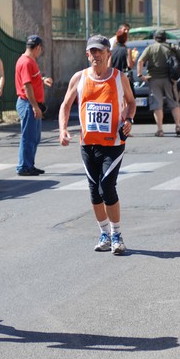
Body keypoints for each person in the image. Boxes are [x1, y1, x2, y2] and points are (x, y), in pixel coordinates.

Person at [59, 34, 136, 255]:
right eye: (92, 52)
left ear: (108, 54)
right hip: (87, 144)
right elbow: (65, 105)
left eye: (99, 51)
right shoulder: (79, 77)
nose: (96, 55)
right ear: (87, 54)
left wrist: (129, 120)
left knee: (107, 187)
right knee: (94, 191)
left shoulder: (119, 78)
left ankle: (117, 234)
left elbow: (131, 103)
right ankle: (104, 233)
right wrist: (63, 129)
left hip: (114, 143)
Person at [15, 34, 53, 176]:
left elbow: (31, 79)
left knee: (34, 137)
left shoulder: (29, 61)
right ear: (37, 47)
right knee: (28, 137)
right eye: (41, 49)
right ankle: (24, 166)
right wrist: (34, 106)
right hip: (28, 104)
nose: (40, 52)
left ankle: (29, 165)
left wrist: (42, 79)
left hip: (30, 103)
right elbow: (27, 86)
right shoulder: (26, 62)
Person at [136, 29, 180, 137]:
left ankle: (160, 129)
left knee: (157, 105)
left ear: (155, 38)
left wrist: (140, 75)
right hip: (169, 80)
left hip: (154, 79)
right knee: (174, 103)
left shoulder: (150, 48)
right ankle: (178, 126)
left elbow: (140, 61)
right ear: (165, 37)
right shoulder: (170, 47)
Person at [109, 27, 136, 97]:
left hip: (114, 78)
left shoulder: (111, 51)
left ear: (117, 39)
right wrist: (133, 60)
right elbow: (130, 65)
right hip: (125, 79)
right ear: (126, 39)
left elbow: (108, 66)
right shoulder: (127, 50)